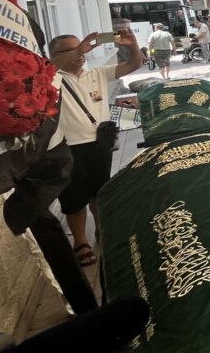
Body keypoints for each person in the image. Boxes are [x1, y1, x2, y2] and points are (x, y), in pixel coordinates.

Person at [49, 30, 142, 266]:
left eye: (81, 47)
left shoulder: (97, 73)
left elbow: (134, 64)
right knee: (73, 198)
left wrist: (132, 45)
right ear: (54, 55)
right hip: (67, 147)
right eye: (72, 49)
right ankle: (80, 241)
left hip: (99, 144)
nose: (81, 52)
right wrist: (77, 51)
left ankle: (103, 230)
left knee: (99, 192)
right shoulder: (51, 78)